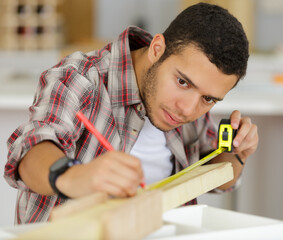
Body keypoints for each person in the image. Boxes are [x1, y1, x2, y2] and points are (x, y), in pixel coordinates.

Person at [4, 2, 258, 224]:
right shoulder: (80, 78)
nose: (188, 110)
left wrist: (237, 154)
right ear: (157, 48)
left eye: (208, 99)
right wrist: (73, 176)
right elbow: (30, 153)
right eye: (182, 82)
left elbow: (220, 178)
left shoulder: (192, 103)